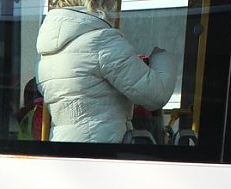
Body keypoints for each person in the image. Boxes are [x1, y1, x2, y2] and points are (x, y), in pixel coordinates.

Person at [36, 0, 176, 143]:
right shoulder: (101, 40)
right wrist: (162, 56)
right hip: (101, 146)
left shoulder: (49, 49)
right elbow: (156, 94)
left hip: (62, 144)